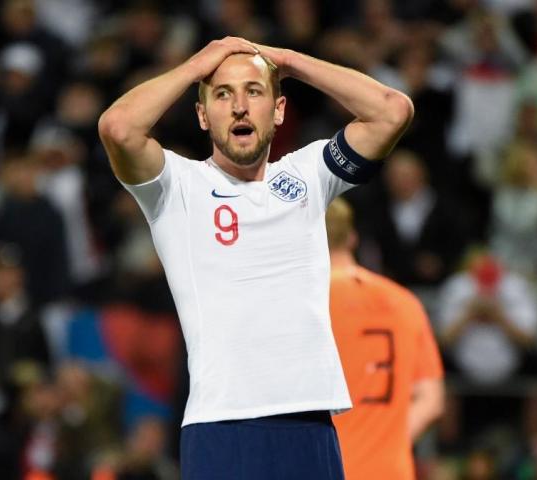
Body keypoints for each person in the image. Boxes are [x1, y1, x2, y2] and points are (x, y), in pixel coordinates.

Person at [98, 36, 413, 479]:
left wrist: (286, 61)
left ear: (279, 109)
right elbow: (118, 128)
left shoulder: (308, 175)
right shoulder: (176, 188)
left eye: (254, 91)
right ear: (204, 116)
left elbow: (391, 111)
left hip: (310, 421)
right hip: (224, 426)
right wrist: (195, 66)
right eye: (223, 94)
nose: (240, 106)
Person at [326, 197, 445, 480]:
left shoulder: (300, 305)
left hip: (321, 467)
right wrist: (386, 439)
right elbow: (432, 399)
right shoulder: (404, 301)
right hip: (390, 470)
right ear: (352, 237)